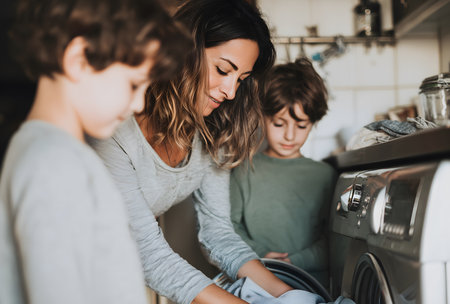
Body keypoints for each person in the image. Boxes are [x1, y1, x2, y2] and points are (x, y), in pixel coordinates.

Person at [89, 0, 297, 303]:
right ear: (183, 51)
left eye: (240, 79)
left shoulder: (212, 132)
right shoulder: (115, 131)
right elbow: (150, 254)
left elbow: (218, 234)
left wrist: (291, 296)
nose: (230, 92)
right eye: (222, 69)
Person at [0, 0, 190, 303]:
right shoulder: (52, 163)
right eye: (133, 85)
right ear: (79, 60)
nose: (139, 104)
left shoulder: (56, 153)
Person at [230, 58, 338, 288]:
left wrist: (294, 261)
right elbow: (230, 228)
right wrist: (263, 255)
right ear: (262, 117)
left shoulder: (324, 176)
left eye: (301, 126)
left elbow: (334, 240)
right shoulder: (244, 170)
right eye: (279, 124)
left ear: (313, 123)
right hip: (255, 284)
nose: (290, 136)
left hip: (311, 287)